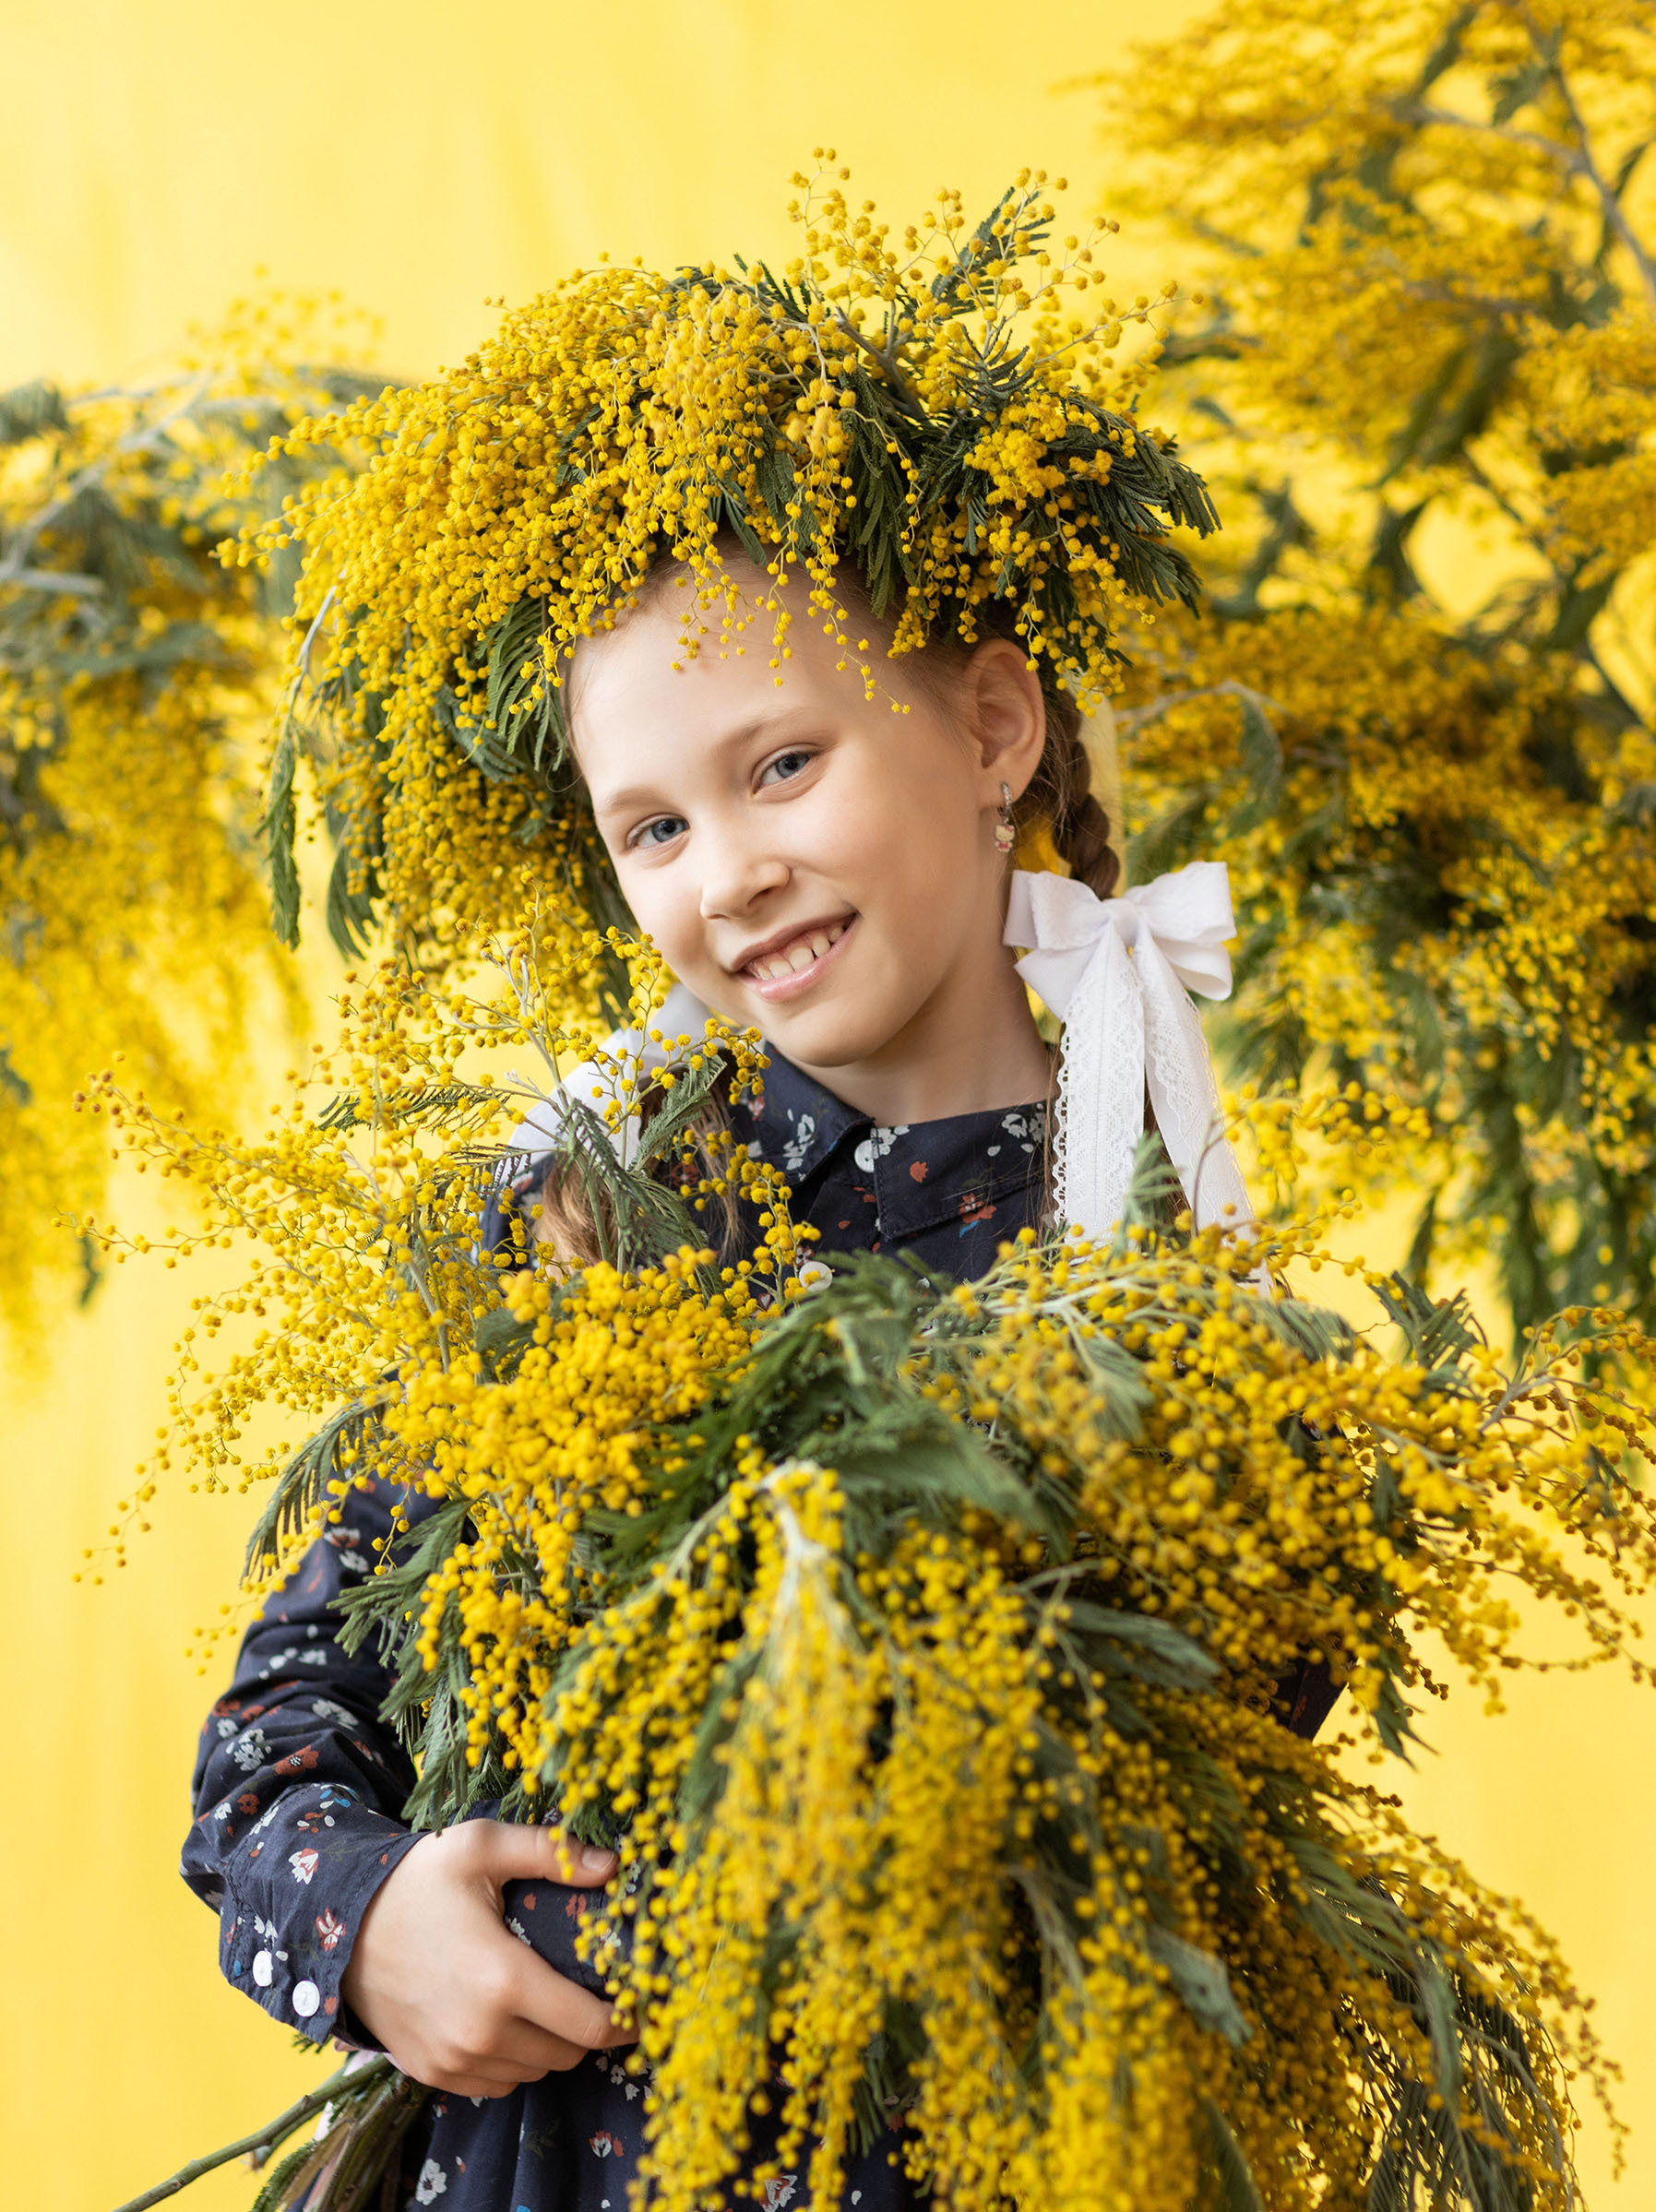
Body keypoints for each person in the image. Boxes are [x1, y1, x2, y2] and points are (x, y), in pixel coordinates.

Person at [185, 545, 1335, 2210]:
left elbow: (1110, 1862)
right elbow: (275, 1730)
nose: (727, 873)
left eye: (783, 765)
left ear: (995, 727)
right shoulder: (576, 1228)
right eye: (653, 828)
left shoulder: (1185, 1335)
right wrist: (368, 1920)